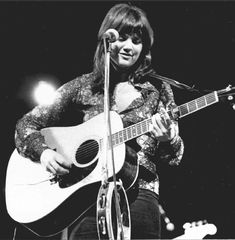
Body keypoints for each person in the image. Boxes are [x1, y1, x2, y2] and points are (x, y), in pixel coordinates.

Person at [14, 3, 184, 239]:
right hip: (86, 199)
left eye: (136, 41)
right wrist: (44, 153)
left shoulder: (157, 89)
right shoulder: (84, 86)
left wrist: (169, 138)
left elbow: (174, 156)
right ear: (107, 40)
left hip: (140, 196)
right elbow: (26, 124)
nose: (128, 46)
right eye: (121, 38)